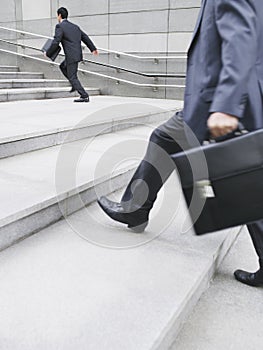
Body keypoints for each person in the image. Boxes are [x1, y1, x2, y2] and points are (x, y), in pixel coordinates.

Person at [98, 0, 263, 287]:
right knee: (246, 181)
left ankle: (136, 206)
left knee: (168, 139)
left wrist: (226, 104)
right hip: (238, 94)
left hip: (223, 99)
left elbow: (241, 36)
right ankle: (136, 206)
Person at [44, 7, 98, 102]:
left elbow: (56, 41)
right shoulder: (75, 26)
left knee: (73, 76)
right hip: (76, 55)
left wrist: (48, 52)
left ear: (59, 15)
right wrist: (93, 48)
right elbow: (85, 37)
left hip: (71, 56)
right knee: (62, 66)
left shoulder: (60, 26)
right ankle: (74, 85)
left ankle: (84, 95)